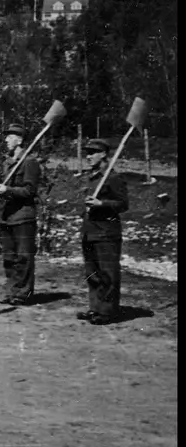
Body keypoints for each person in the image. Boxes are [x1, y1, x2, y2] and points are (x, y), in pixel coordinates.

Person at [78, 138, 129, 325]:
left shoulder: (113, 177)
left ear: (104, 154)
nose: (88, 156)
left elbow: (123, 204)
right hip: (90, 230)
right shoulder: (91, 176)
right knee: (92, 273)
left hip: (107, 232)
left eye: (93, 153)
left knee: (108, 273)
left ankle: (107, 312)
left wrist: (102, 204)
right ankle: (96, 308)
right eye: (87, 153)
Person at [0, 123, 41, 306]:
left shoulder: (29, 162)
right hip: (6, 215)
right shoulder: (8, 161)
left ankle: (23, 293)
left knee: (23, 257)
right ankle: (11, 290)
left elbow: (30, 191)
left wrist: (8, 190)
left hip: (23, 216)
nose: (6, 140)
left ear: (19, 140)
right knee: (9, 257)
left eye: (10, 136)